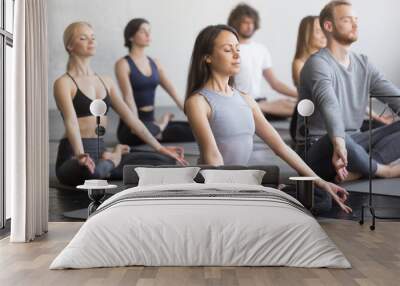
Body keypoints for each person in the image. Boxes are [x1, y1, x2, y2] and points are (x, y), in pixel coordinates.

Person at [184, 24, 351, 213]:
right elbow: (212, 158)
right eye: (228, 50)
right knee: (288, 195)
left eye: (238, 49)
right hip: (214, 185)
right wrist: (241, 190)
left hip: (242, 182)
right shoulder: (198, 102)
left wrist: (320, 182)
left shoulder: (245, 99)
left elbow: (280, 147)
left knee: (319, 195)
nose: (237, 55)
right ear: (207, 57)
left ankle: (266, 197)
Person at [54, 22, 186, 186]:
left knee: (166, 161)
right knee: (89, 172)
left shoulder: (106, 81)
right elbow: (71, 122)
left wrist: (160, 148)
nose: (91, 41)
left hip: (100, 152)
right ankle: (114, 159)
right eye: (83, 38)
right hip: (73, 156)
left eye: (93, 38)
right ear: (70, 46)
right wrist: (81, 155)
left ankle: (108, 164)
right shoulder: (64, 83)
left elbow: (132, 119)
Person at [297, 1, 400, 183]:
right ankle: (383, 170)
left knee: (354, 141)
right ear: (328, 26)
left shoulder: (364, 64)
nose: (355, 24)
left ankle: (361, 170)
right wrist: (339, 143)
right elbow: (330, 104)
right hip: (321, 147)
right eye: (347, 20)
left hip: (356, 142)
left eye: (356, 19)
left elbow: (394, 97)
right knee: (336, 138)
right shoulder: (317, 64)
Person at [290, 15, 391, 141]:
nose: (323, 35)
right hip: (311, 124)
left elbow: (349, 98)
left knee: (381, 127)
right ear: (306, 35)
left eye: (324, 31)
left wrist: (376, 117)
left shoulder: (331, 62)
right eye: (317, 32)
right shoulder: (301, 64)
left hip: (333, 119)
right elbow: (329, 98)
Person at [115, 18, 195, 146]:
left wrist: (193, 117)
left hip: (151, 123)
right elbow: (128, 98)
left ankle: (158, 130)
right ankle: (162, 124)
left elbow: (173, 93)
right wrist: (137, 127)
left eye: (149, 31)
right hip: (131, 127)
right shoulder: (123, 64)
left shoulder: (155, 63)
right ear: (131, 36)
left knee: (195, 130)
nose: (148, 34)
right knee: (141, 132)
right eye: (142, 31)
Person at [227, 3, 298, 120]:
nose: (250, 26)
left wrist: (300, 95)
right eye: (245, 22)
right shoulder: (229, 48)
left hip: (259, 101)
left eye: (252, 22)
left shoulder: (261, 49)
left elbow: (275, 83)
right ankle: (252, 108)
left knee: (297, 107)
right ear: (236, 22)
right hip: (237, 100)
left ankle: (257, 108)